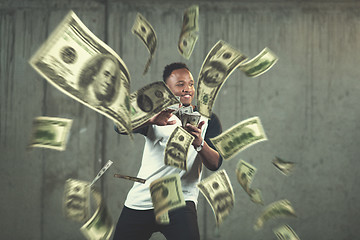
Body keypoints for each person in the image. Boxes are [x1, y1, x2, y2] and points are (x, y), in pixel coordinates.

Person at [113, 62, 223, 240]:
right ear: (167, 89)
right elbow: (119, 126)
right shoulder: (156, 115)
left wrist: (200, 144)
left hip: (180, 200)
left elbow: (215, 163)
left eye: (191, 84)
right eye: (180, 84)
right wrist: (150, 120)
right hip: (143, 199)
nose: (187, 89)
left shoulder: (206, 120)